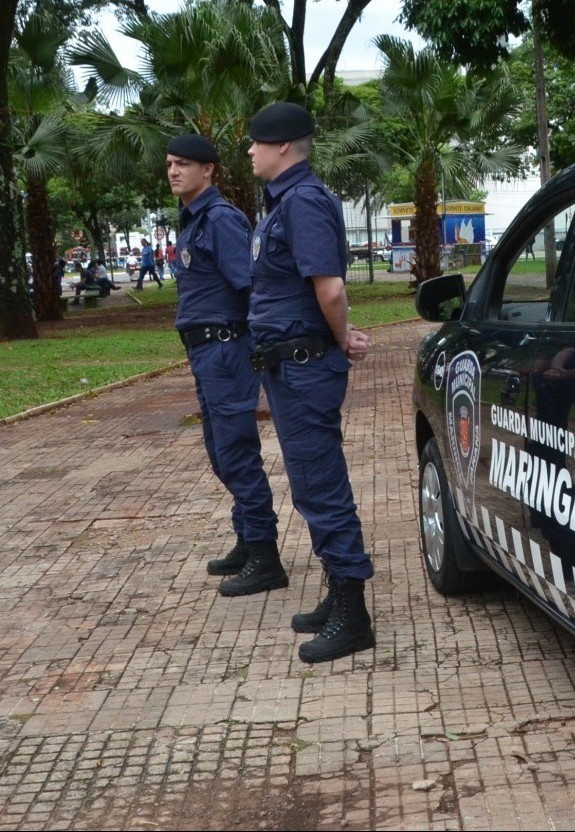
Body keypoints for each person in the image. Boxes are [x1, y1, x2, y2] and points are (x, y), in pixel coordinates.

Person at [246, 101, 374, 664]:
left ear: (281, 147)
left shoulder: (302, 202)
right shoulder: (281, 204)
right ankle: (335, 594)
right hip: (287, 364)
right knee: (309, 484)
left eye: (255, 142)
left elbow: (331, 290)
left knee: (321, 485)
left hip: (303, 367)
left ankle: (353, 614)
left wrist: (344, 337)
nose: (249, 152)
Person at [165, 133, 282, 597]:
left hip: (226, 349)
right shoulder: (192, 220)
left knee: (235, 450)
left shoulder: (220, 220)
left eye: (184, 164)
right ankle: (248, 538)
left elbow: (252, 287)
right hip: (203, 350)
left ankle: (266, 555)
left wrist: (257, 347)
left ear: (208, 169)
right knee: (220, 450)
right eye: (170, 164)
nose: (174, 171)